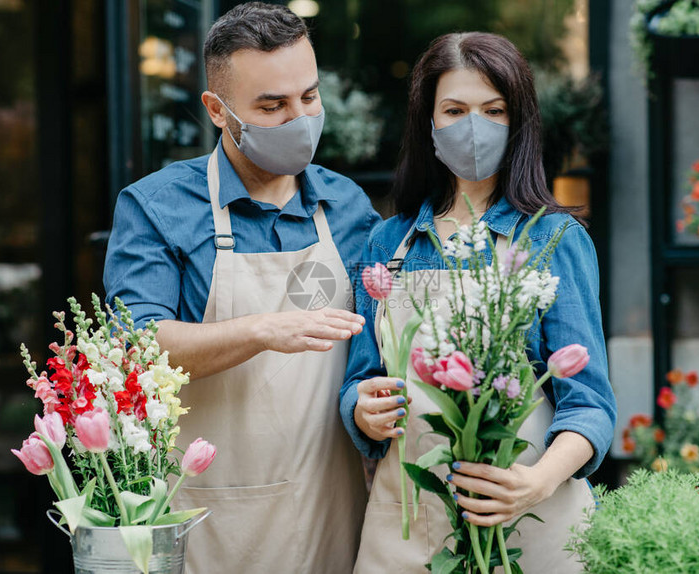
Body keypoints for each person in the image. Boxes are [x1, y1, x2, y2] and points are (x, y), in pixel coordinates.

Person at [104, 3, 380, 572]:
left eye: (308, 97)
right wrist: (262, 329)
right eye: (272, 106)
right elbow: (138, 347)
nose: (298, 118)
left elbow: (379, 349)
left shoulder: (349, 207)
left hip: (334, 511)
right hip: (213, 521)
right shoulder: (157, 207)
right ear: (217, 110)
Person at [340, 32, 616, 573]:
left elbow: (590, 403)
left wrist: (534, 483)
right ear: (429, 122)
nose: (475, 126)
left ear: (520, 123)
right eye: (455, 109)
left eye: (494, 110)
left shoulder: (553, 240)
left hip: (531, 518)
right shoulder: (388, 244)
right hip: (409, 526)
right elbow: (361, 376)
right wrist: (361, 409)